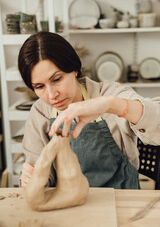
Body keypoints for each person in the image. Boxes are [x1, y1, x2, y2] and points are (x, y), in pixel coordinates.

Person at [18, 31, 160, 189]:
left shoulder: (109, 94)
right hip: (70, 205)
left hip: (120, 201)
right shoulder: (40, 112)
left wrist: (111, 105)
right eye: (39, 86)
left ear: (74, 69)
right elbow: (42, 175)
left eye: (57, 79)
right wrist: (33, 177)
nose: (52, 95)